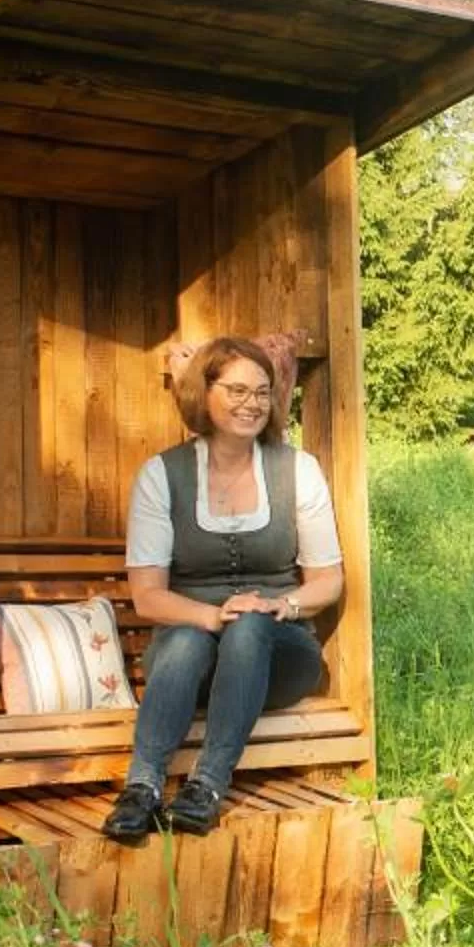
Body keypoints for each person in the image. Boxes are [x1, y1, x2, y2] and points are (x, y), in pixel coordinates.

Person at [101, 336, 345, 842]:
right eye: (236, 390)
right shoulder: (162, 475)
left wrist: (283, 603)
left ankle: (207, 786)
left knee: (252, 625)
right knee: (188, 639)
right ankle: (142, 788)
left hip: (279, 653)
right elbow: (147, 596)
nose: (251, 403)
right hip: (192, 663)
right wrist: (214, 616)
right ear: (202, 394)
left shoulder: (297, 470)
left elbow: (329, 580)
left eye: (261, 392)